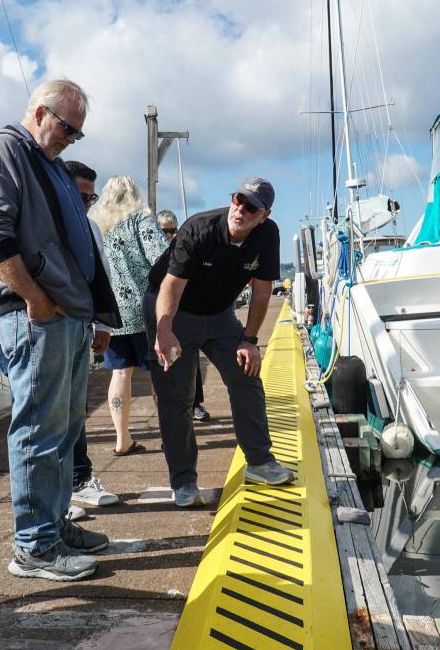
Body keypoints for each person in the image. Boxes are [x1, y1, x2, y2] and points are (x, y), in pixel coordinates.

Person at [0, 79, 121, 582]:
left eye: (78, 134)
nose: (70, 139)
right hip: (38, 315)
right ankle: (34, 546)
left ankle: (53, 528)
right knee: (38, 431)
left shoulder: (49, 163)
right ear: (39, 113)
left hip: (67, 316)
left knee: (64, 430)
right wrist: (37, 299)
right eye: (66, 128)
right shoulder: (4, 151)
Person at [146, 178, 295, 507]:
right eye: (238, 199)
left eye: (251, 206)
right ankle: (183, 481)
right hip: (175, 309)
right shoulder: (199, 229)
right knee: (177, 396)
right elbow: (170, 287)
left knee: (247, 375)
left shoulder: (268, 235)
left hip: (219, 312)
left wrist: (250, 340)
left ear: (264, 215)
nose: (240, 209)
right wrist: (164, 329)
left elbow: (261, 290)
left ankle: (259, 462)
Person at [90, 177, 168, 456]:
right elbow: (161, 258)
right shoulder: (140, 220)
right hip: (146, 310)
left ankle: (122, 439)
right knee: (161, 374)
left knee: (120, 374)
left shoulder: (97, 226)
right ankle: (170, 435)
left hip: (110, 316)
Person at [64, 159, 120, 508]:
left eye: (90, 198)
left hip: (76, 328)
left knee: (73, 410)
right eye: (79, 196)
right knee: (42, 418)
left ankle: (78, 478)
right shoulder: (41, 222)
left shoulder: (91, 229)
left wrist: (102, 325)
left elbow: (102, 275)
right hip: (38, 329)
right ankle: (55, 493)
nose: (86, 205)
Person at [157, 210, 210, 423]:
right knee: (164, 362)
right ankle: (171, 414)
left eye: (173, 230)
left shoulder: (185, 247)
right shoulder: (153, 249)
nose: (169, 235)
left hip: (186, 310)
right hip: (162, 313)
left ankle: (195, 404)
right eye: (164, 231)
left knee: (191, 358)